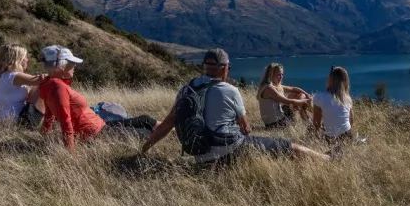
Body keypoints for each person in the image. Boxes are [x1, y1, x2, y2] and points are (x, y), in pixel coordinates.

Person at [141, 48, 330, 163]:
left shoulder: (186, 89)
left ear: (204, 67)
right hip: (227, 150)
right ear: (224, 69)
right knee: (289, 146)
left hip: (199, 153)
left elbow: (167, 124)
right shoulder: (230, 90)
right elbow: (246, 128)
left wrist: (143, 151)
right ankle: (327, 159)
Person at [38, 45, 157, 152]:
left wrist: (43, 136)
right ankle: (170, 130)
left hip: (102, 126)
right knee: (146, 133)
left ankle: (170, 127)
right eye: (72, 63)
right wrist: (71, 152)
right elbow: (65, 120)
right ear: (61, 66)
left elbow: (49, 114)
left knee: (145, 119)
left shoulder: (48, 84)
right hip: (95, 133)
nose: (74, 66)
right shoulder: (58, 87)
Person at [0, 44, 46, 128]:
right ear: (18, 59)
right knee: (43, 86)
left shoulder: (3, 76)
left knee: (37, 87)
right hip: (21, 124)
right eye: (25, 57)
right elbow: (41, 81)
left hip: (7, 123)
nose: (27, 59)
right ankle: (53, 120)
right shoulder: (13, 76)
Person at [257, 62, 311, 129]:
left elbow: (293, 89)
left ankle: (309, 123)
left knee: (297, 94)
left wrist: (307, 94)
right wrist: (307, 100)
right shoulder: (269, 89)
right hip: (275, 125)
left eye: (282, 74)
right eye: (278, 75)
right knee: (301, 97)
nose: (281, 77)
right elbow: (287, 101)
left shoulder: (272, 86)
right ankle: (303, 124)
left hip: (276, 119)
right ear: (271, 75)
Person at [312, 66, 356, 144]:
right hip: (348, 136)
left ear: (330, 80)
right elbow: (351, 121)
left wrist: (317, 138)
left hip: (330, 138)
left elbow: (316, 123)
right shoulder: (347, 99)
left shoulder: (320, 97)